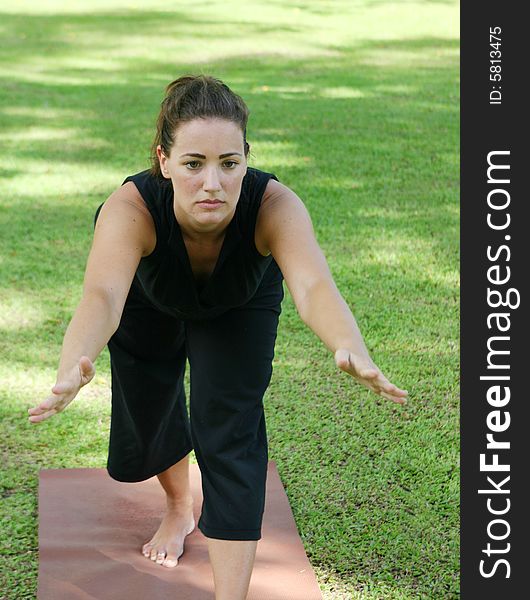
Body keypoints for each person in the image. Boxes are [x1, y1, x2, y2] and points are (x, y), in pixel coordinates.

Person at [28, 75, 408, 600]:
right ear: (164, 160)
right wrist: (76, 362)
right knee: (149, 404)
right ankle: (180, 506)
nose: (213, 182)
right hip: (147, 297)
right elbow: (102, 297)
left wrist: (349, 344)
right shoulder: (131, 209)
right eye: (194, 163)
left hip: (239, 301)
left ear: (246, 159)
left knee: (230, 429)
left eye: (229, 163)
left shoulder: (275, 205)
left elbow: (314, 283)